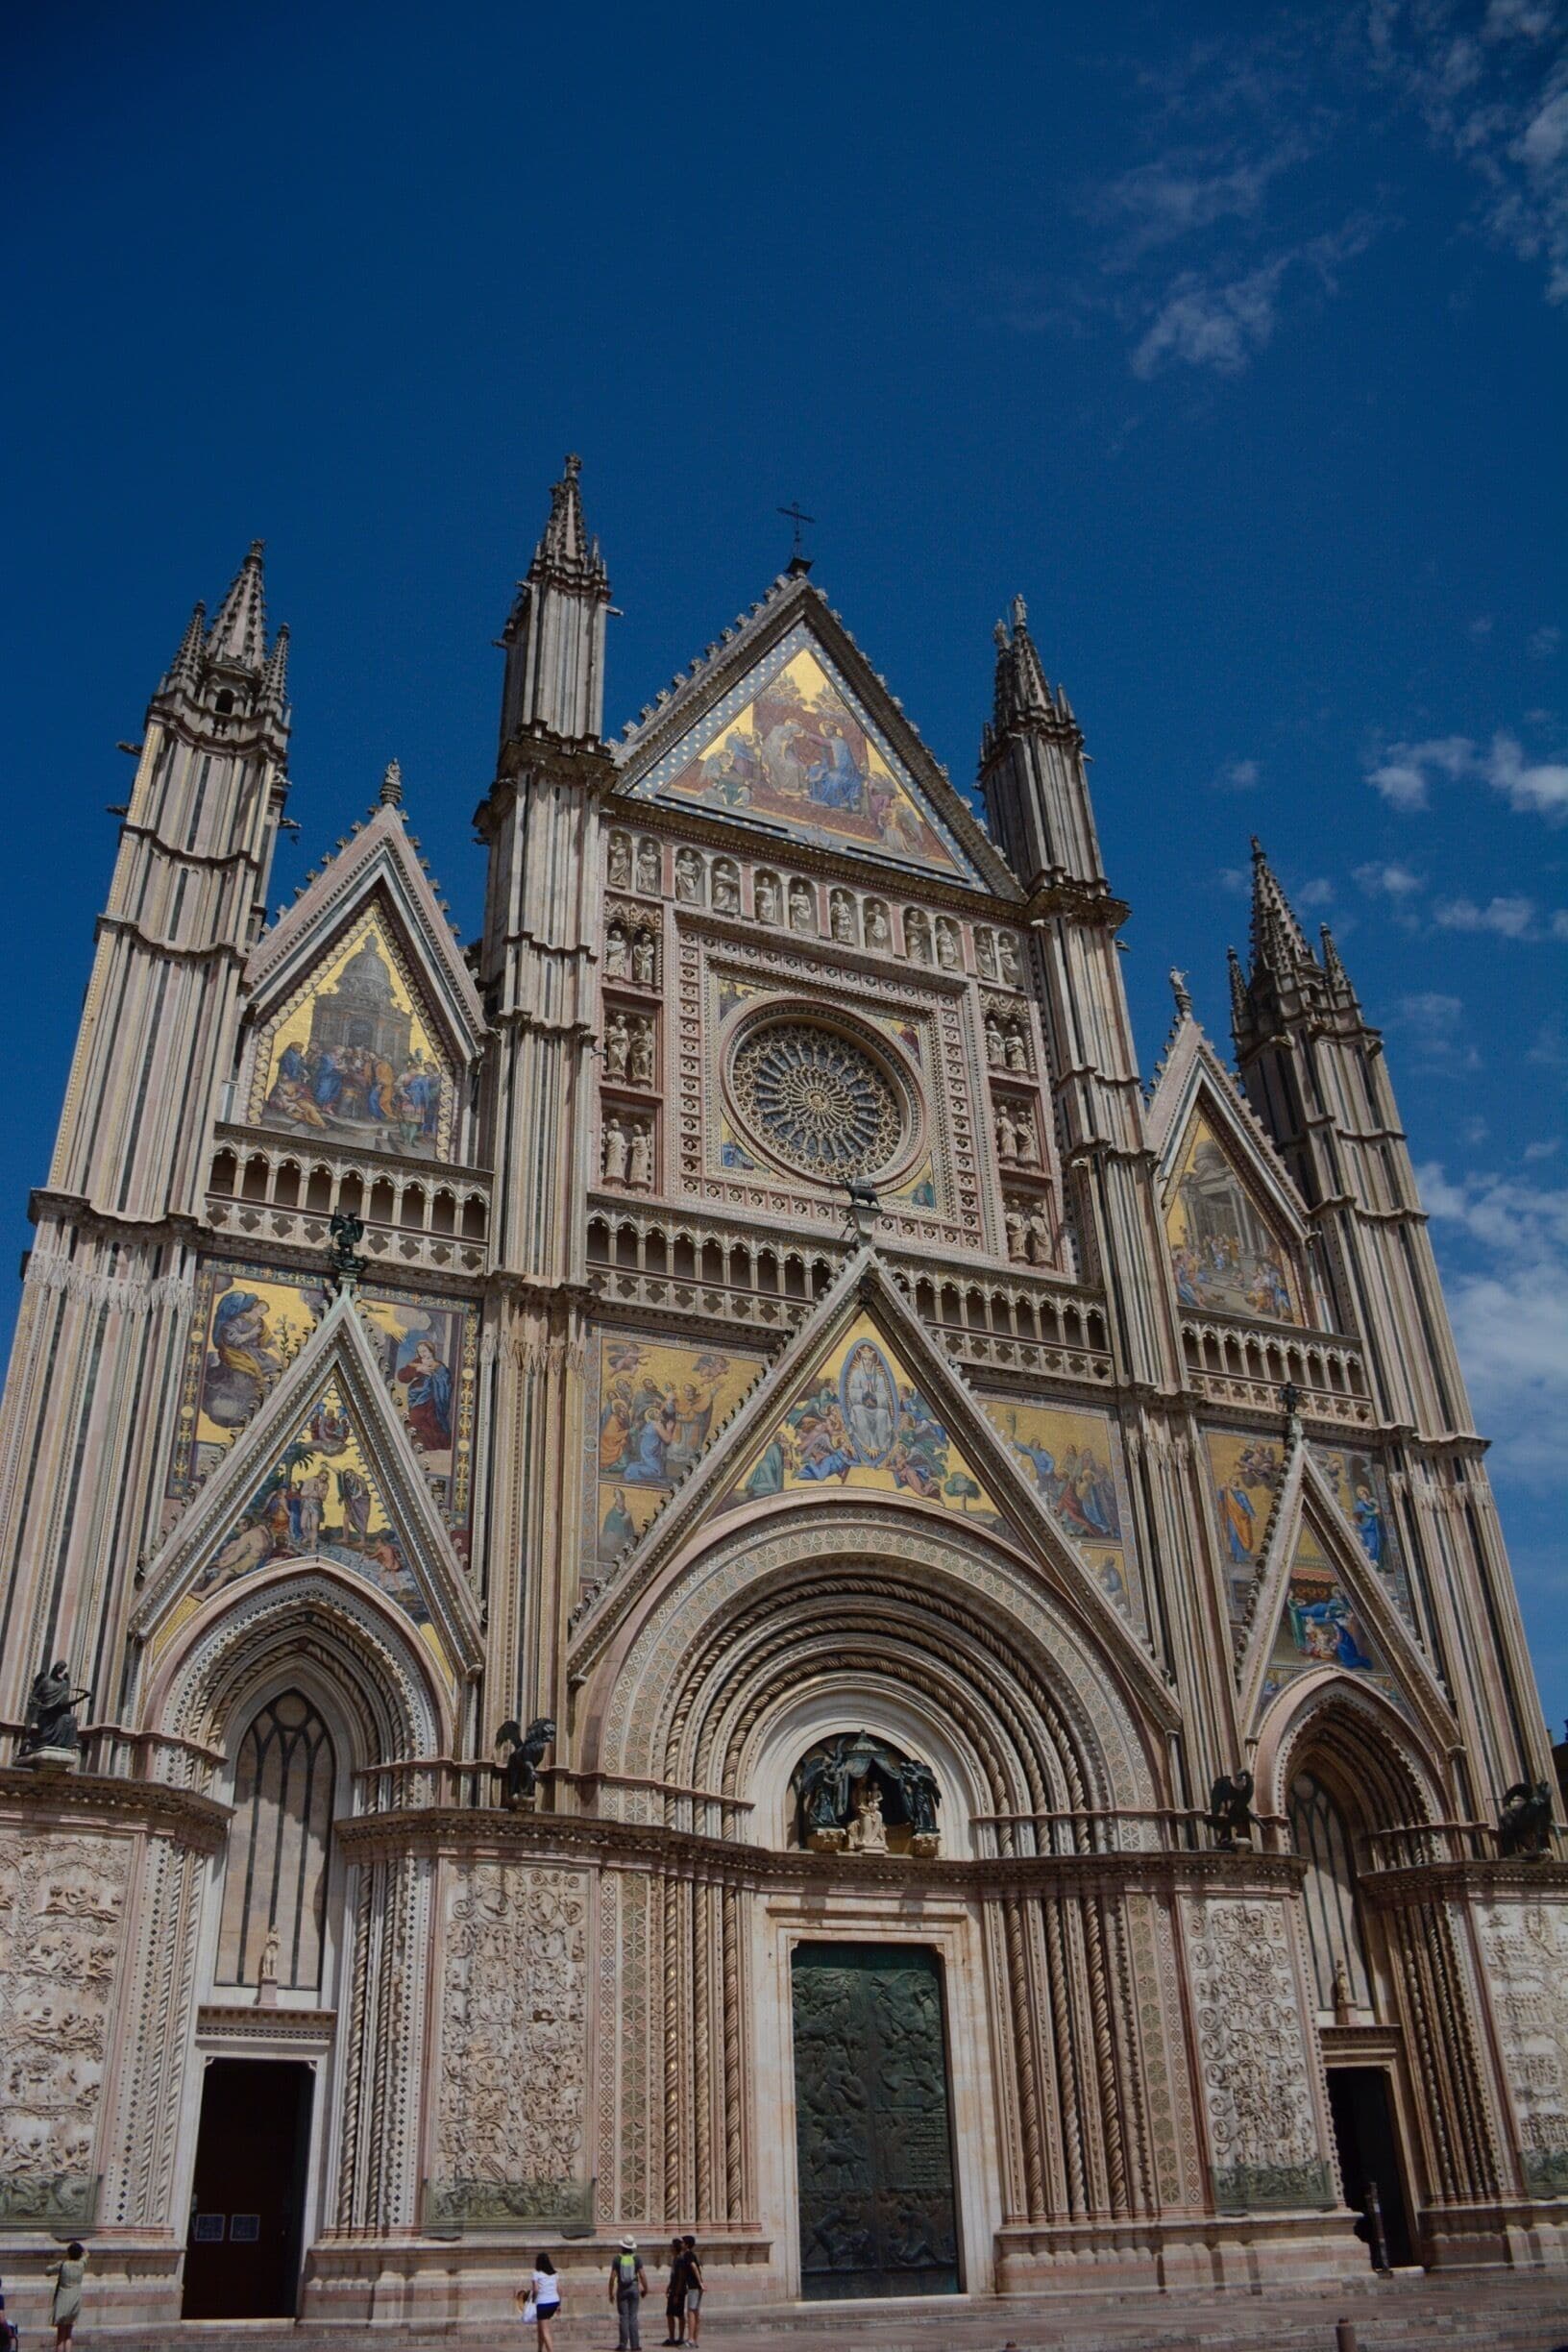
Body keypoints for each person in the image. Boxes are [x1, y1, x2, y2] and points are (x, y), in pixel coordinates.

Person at [608, 2239, 647, 2350]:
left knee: (623, 2317)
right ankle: (635, 2345)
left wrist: (610, 2292)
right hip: (634, 2287)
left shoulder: (617, 2259)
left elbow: (612, 2277)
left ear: (622, 2246)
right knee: (633, 2317)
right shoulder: (636, 2258)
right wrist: (645, 2288)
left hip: (622, 2288)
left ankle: (623, 2344)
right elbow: (642, 2275)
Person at [519, 2251, 560, 2352]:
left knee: (545, 2330)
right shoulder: (555, 2274)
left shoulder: (536, 2274)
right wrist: (559, 2304)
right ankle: (539, 2349)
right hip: (554, 2302)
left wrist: (533, 2300)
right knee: (541, 2327)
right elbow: (559, 2289)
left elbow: (536, 2289)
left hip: (543, 2304)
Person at [49, 2240, 86, 2349]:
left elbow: (48, 2270)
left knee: (60, 2335)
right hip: (75, 2300)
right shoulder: (82, 2264)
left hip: (63, 2300)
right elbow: (86, 2254)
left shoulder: (63, 2265)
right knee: (69, 2334)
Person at [662, 2235, 687, 2344]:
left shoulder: (680, 2260)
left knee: (679, 2314)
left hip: (679, 2291)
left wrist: (676, 2293)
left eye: (671, 2246)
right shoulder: (676, 2259)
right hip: (674, 2289)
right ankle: (672, 2337)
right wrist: (669, 2286)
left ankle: (680, 2338)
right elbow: (674, 2276)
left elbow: (681, 2278)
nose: (670, 2248)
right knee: (670, 2314)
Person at [681, 2236, 703, 2345]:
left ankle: (690, 2339)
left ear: (687, 2245)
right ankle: (695, 2340)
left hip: (693, 2286)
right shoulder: (692, 2254)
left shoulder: (688, 2255)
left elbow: (694, 2267)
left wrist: (700, 2283)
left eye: (683, 2242)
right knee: (696, 2312)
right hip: (696, 2286)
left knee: (691, 2312)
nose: (681, 2244)